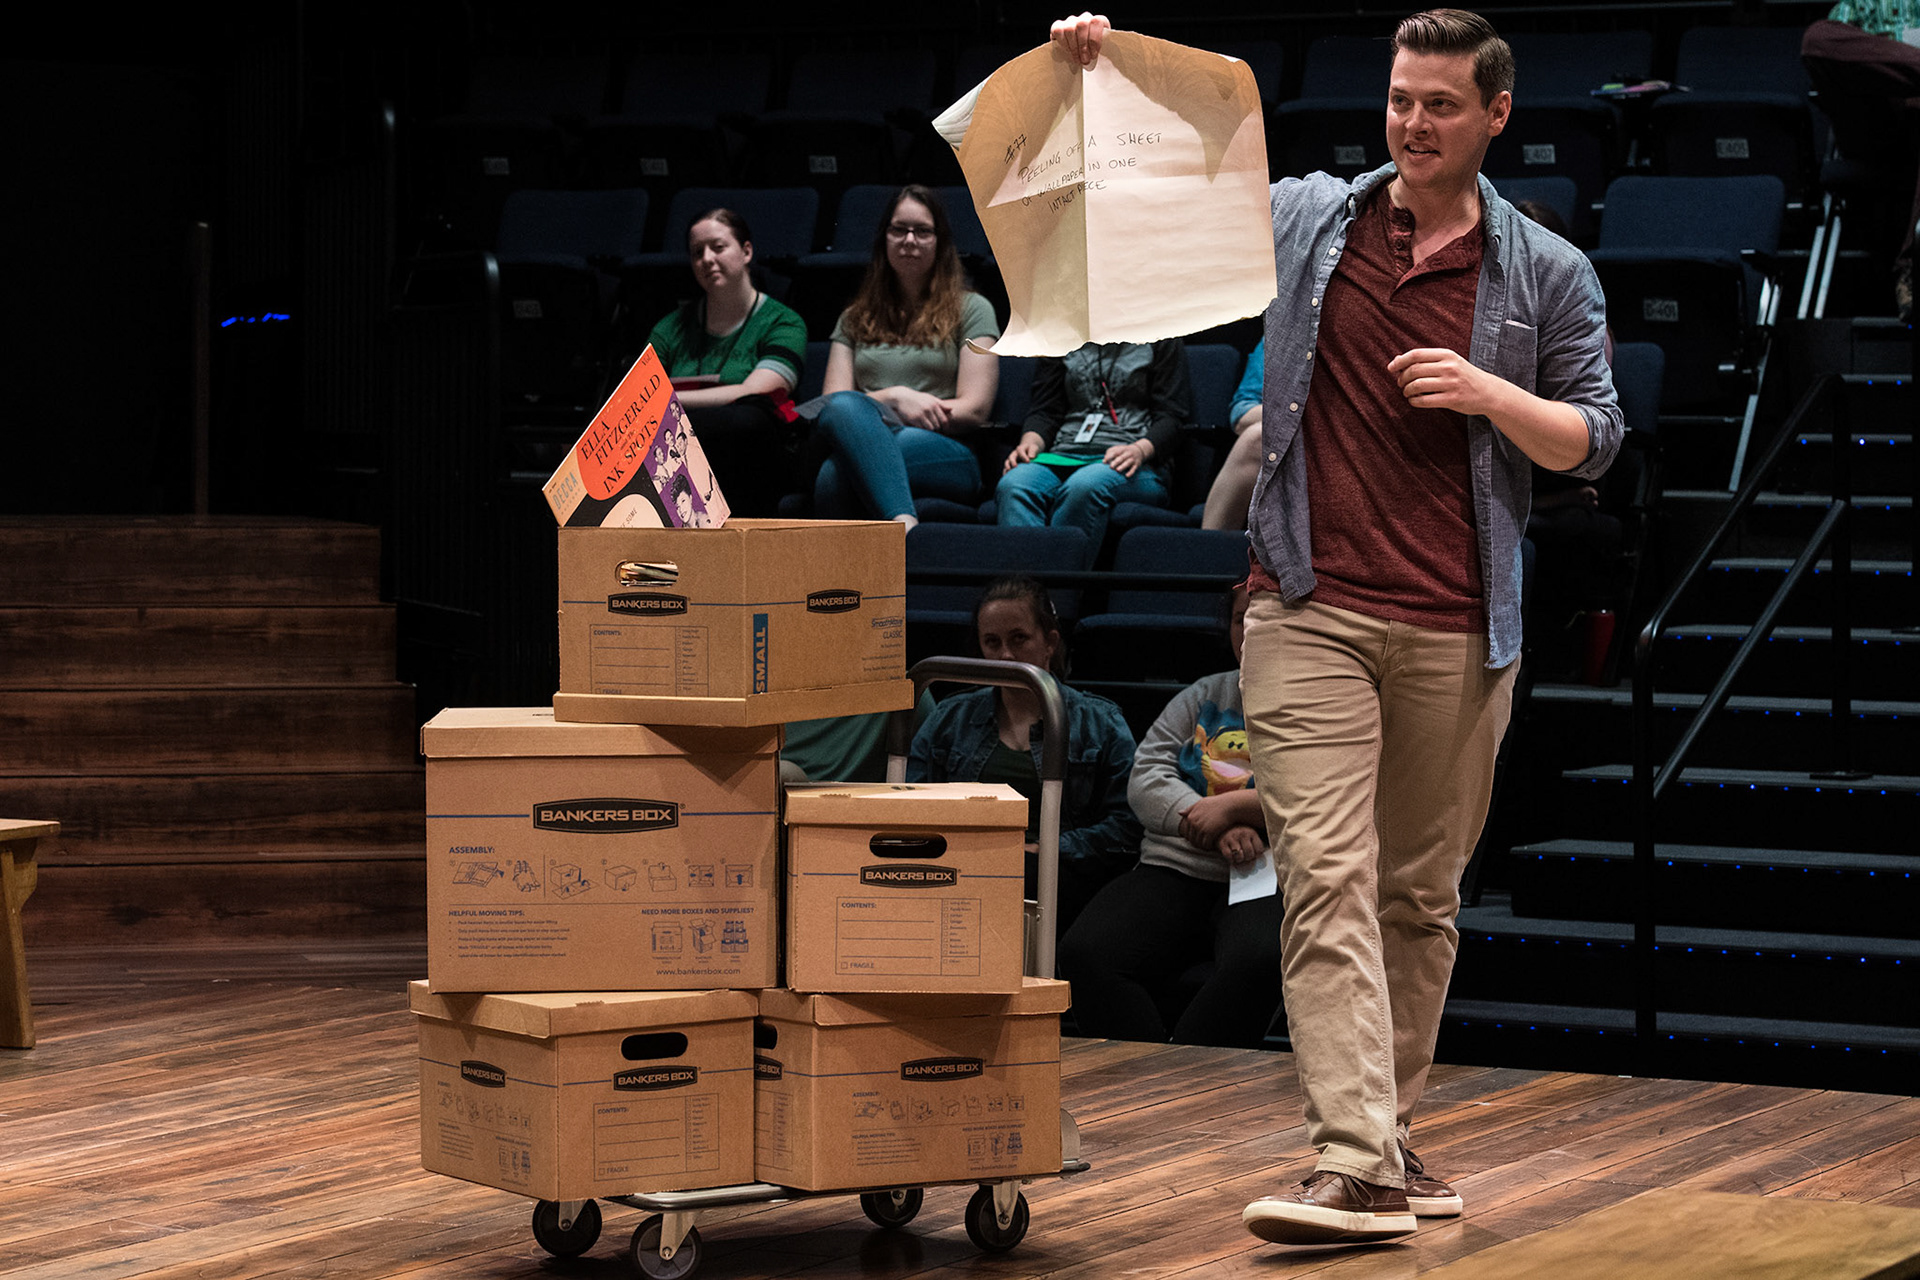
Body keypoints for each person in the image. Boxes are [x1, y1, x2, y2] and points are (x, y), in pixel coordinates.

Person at [1053, 9, 1621, 1248]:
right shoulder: (1313, 217)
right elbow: (1183, 167)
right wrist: (1108, 65)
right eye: (1401, 99)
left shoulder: (1546, 270)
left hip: (1460, 620)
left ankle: (1391, 1135)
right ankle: (1355, 1158)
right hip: (1306, 605)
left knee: (1418, 895)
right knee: (1324, 874)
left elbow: (1594, 438)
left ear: (1496, 115)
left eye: (1440, 104)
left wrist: (1487, 391)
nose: (1413, 123)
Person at [1056, 585, 1285, 1049]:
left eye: (1265, 617)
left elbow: (1320, 791)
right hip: (1177, 863)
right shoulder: (1205, 694)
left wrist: (1235, 808)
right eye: (1241, 619)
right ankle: (1143, 1072)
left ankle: (1191, 1074)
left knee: (1261, 960)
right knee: (1086, 953)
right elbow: (1145, 776)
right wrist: (1205, 823)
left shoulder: (1320, 704)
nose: (1251, 630)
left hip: (1268, 873)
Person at [907, 575, 1140, 938]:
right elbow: (911, 805)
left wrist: (1047, 848)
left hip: (1061, 870)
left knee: (1021, 877)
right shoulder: (950, 718)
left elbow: (1127, 825)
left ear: (1050, 643)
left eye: (1019, 639)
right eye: (992, 642)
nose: (1005, 655)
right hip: (962, 862)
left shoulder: (1100, 721)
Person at [807, 185, 1000, 526]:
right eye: (899, 229)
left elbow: (975, 407)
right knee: (832, 471)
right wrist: (895, 399)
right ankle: (904, 526)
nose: (909, 240)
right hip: (864, 438)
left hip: (948, 449)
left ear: (940, 241)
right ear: (885, 237)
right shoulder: (854, 317)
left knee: (837, 471)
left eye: (922, 231)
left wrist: (878, 413)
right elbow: (831, 404)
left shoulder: (973, 309)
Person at [643, 208, 808, 516]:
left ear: (746, 251)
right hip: (677, 455)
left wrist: (669, 399)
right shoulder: (668, 329)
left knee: (744, 421)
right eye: (697, 252)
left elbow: (756, 392)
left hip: (756, 455)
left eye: (718, 247)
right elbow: (638, 400)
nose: (706, 259)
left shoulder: (784, 322)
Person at [996, 338, 1191, 560]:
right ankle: (1024, 581)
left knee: (1084, 486)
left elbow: (1172, 417)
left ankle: (1057, 580)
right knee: (1014, 484)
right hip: (1064, 452)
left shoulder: (1160, 337)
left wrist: (1140, 450)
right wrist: (1029, 443)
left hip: (1132, 459)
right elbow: (1045, 411)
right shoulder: (1064, 335)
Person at [1801, 1, 1920, 320]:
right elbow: (1830, 49)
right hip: (1875, 115)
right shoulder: (1861, 2)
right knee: (1817, 38)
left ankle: (1911, 269)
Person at [1200, 339, 1265, 531]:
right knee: (1256, 437)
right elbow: (1242, 413)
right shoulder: (1286, 333)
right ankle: (1210, 545)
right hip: (1295, 437)